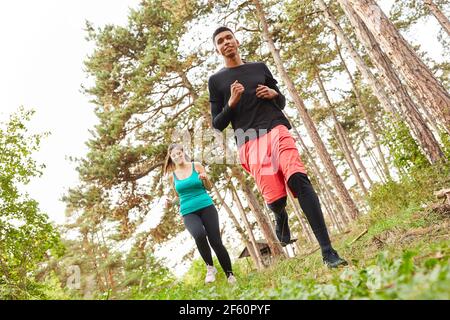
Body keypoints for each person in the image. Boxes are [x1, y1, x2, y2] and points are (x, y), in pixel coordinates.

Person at [208, 26, 347, 268]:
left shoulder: (259, 68)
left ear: (237, 41)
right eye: (220, 41)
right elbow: (217, 125)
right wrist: (231, 103)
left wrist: (273, 93)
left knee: (298, 179)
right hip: (249, 140)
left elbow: (281, 101)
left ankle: (328, 252)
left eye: (229, 37)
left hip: (276, 128)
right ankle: (279, 214)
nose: (226, 42)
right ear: (217, 49)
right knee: (275, 198)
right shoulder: (216, 81)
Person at [164, 143, 237, 284]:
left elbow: (209, 187)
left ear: (183, 152)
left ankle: (230, 275)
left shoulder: (196, 166)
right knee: (198, 234)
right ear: (171, 158)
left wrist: (205, 178)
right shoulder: (172, 176)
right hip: (188, 211)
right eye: (174, 155)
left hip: (206, 206)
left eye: (179, 153)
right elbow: (178, 196)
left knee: (216, 242)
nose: (177, 156)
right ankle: (210, 267)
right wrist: (170, 203)